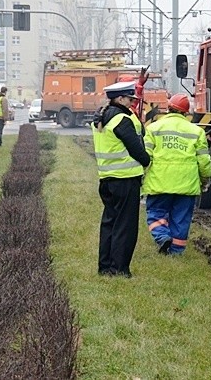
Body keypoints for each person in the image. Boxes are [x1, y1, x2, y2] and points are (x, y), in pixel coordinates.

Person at [92, 81, 151, 277]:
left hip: (106, 178)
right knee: (125, 226)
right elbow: (137, 148)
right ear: (120, 99)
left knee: (109, 222)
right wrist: (146, 161)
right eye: (129, 99)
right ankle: (119, 269)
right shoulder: (123, 120)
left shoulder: (101, 117)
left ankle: (105, 267)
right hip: (126, 179)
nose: (132, 103)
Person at [143, 93, 211, 255]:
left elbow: (146, 157)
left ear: (168, 108)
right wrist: (205, 178)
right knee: (181, 220)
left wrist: (141, 178)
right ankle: (176, 252)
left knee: (155, 214)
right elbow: (203, 161)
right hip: (187, 184)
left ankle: (162, 236)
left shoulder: (153, 129)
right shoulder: (196, 131)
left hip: (159, 183)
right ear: (186, 112)